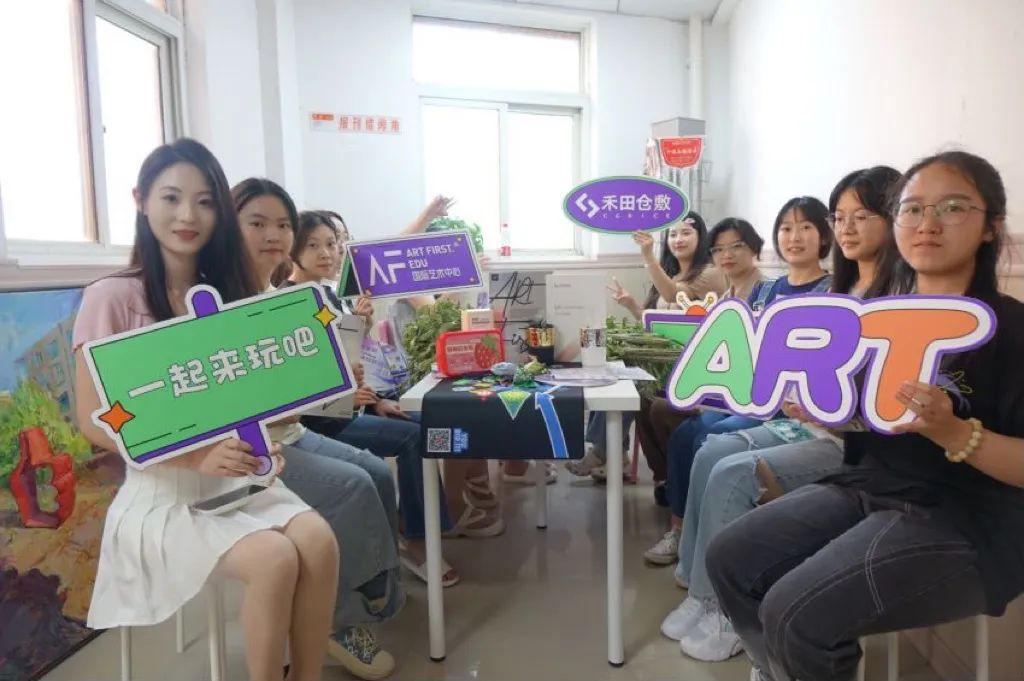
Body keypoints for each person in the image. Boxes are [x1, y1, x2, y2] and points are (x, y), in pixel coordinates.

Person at [706, 151, 1024, 681]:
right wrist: (824, 413)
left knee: (795, 613)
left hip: (969, 516)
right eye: (912, 208)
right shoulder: (874, 317)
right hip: (868, 486)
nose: (927, 224)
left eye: (952, 207)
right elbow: (869, 424)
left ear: (991, 226)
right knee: (729, 557)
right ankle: (781, 670)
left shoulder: (1011, 330)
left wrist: (955, 433)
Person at [73, 139, 338, 681]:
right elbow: (91, 422)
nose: (188, 216)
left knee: (320, 542)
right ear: (141, 201)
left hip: (235, 484)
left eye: (204, 202)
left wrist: (262, 448)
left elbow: (246, 402)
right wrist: (193, 458)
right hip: (161, 497)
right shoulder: (111, 297)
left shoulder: (228, 294)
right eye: (171, 198)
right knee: (274, 558)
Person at [662, 166, 902, 662]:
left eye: (861, 216)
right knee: (708, 450)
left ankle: (723, 610)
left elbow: (880, 400)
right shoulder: (841, 291)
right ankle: (698, 590)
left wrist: (822, 409)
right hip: (805, 423)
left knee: (730, 471)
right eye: (840, 216)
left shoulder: (895, 297)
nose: (847, 227)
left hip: (848, 443)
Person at [234, 178, 403, 679]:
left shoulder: (282, 297)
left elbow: (302, 389)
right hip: (254, 450)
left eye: (281, 225)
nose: (272, 235)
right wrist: (329, 394)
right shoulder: (230, 300)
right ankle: (343, 617)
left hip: (294, 432)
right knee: (353, 486)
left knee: (378, 473)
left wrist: (340, 382)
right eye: (257, 223)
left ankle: (375, 587)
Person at [646, 197, 834, 565]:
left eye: (805, 227)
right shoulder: (767, 291)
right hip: (752, 394)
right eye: (786, 228)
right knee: (684, 434)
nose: (794, 237)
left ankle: (714, 539)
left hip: (789, 408)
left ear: (824, 236)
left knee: (709, 437)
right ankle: (681, 529)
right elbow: (743, 354)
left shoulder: (831, 292)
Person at [568, 211, 727, 482]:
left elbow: (671, 294)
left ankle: (605, 452)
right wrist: (631, 304)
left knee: (630, 381)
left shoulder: (710, 274)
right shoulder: (669, 273)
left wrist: (648, 256)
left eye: (686, 233)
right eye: (672, 234)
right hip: (662, 359)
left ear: (701, 237)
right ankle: (613, 452)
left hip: (692, 363)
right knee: (612, 370)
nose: (678, 239)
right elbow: (652, 322)